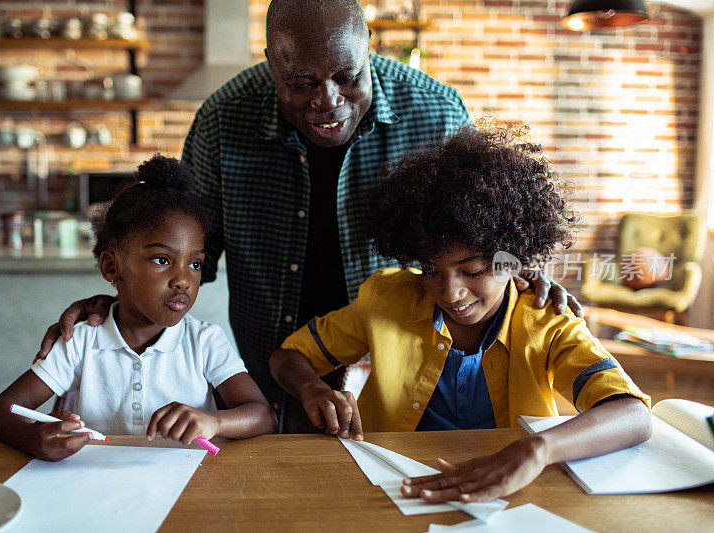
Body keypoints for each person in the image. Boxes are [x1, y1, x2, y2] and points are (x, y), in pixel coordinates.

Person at [34, 0, 581, 428]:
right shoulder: (224, 121)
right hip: (272, 370)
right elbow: (183, 255)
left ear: (369, 47)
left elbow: (481, 229)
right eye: (301, 84)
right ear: (272, 64)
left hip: (398, 379)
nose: (328, 101)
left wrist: (527, 271)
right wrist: (121, 297)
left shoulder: (435, 111)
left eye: (347, 76)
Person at [269, 125, 652, 501]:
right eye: (432, 270)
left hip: (515, 494)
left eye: (472, 271)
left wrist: (536, 450)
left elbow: (632, 415)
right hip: (389, 485)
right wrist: (312, 387)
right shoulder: (386, 299)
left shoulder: (545, 317)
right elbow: (288, 355)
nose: (450, 292)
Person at [0, 155, 276, 461]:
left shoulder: (204, 342)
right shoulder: (81, 341)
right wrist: (33, 439)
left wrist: (213, 421)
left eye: (195, 264)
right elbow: (1, 411)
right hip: (96, 490)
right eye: (162, 260)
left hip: (186, 491)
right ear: (112, 267)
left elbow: (263, 416)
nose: (183, 280)